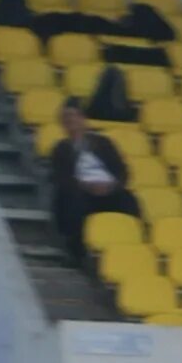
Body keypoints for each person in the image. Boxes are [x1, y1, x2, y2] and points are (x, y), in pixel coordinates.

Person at [49, 100, 140, 251]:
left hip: (108, 189)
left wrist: (111, 186)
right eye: (66, 117)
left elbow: (122, 171)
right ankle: (77, 250)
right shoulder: (61, 149)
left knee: (128, 200)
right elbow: (62, 177)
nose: (70, 120)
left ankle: (131, 244)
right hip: (81, 190)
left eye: (73, 116)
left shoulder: (103, 143)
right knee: (72, 201)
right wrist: (86, 186)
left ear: (82, 119)